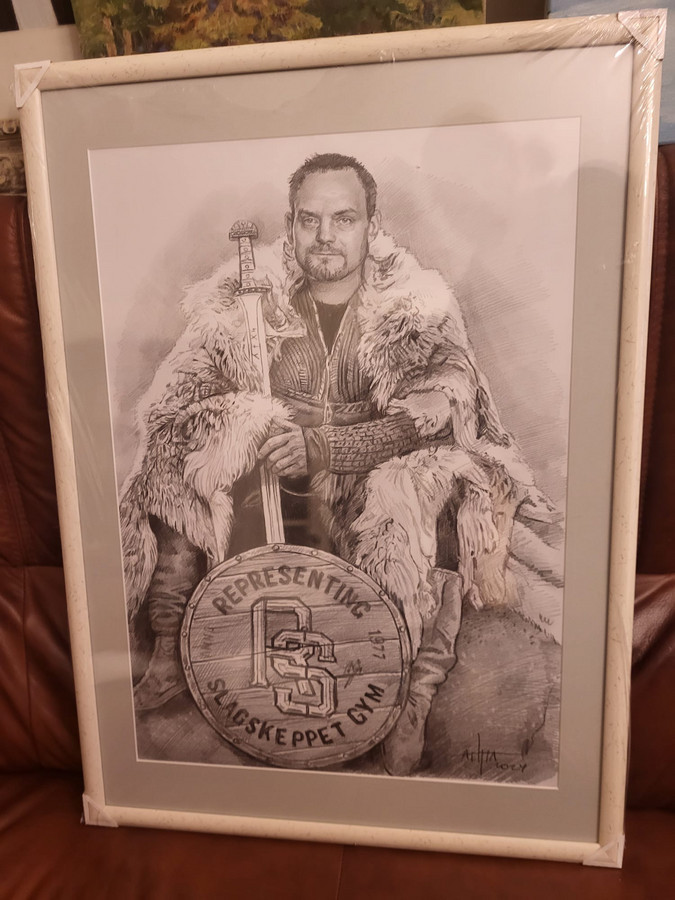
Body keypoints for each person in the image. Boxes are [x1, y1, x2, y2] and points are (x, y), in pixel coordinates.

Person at [120, 153, 561, 776]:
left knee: (428, 487)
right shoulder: (240, 306)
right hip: (277, 482)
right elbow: (176, 406)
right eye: (310, 220)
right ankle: (171, 645)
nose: (325, 235)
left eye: (344, 219)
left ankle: (413, 689)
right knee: (174, 460)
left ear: (371, 226)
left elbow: (441, 411)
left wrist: (330, 447)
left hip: (377, 476)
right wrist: (246, 423)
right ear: (290, 225)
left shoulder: (416, 307)